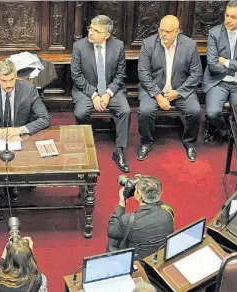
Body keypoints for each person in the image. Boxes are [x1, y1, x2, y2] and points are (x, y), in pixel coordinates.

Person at [0, 59, 50, 202]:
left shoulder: (28, 89)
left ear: (16, 75)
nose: (9, 85)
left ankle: (16, 184)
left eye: (12, 80)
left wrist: (20, 130)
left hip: (21, 139)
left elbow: (44, 118)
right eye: (4, 81)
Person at [137, 15, 202, 162]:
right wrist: (158, 96)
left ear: (177, 31)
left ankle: (190, 143)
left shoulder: (190, 45)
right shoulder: (148, 44)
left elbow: (196, 74)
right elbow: (144, 74)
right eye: (161, 30)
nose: (163, 34)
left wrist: (178, 93)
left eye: (167, 31)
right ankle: (146, 142)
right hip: (153, 90)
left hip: (180, 89)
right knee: (145, 111)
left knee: (195, 110)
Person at [71, 15, 131, 173]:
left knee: (125, 111)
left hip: (112, 90)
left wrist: (108, 93)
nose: (91, 32)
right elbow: (76, 76)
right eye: (90, 28)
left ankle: (119, 151)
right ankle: (85, 138)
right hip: (87, 90)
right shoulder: (79, 46)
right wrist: (94, 95)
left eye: (96, 30)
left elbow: (121, 74)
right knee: (81, 112)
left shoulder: (118, 46)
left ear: (106, 35)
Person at [203, 1, 237, 140]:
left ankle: (235, 131)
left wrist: (226, 62)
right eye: (227, 15)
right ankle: (226, 130)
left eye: (233, 17)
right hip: (218, 81)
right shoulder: (214, 33)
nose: (228, 20)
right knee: (213, 112)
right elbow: (213, 65)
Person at [107, 175, 175, 260]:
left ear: (139, 196)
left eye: (136, 190)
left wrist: (122, 202)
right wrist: (145, 180)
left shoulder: (129, 220)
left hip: (139, 264)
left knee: (113, 237)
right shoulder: (168, 210)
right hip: (159, 257)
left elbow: (111, 231)